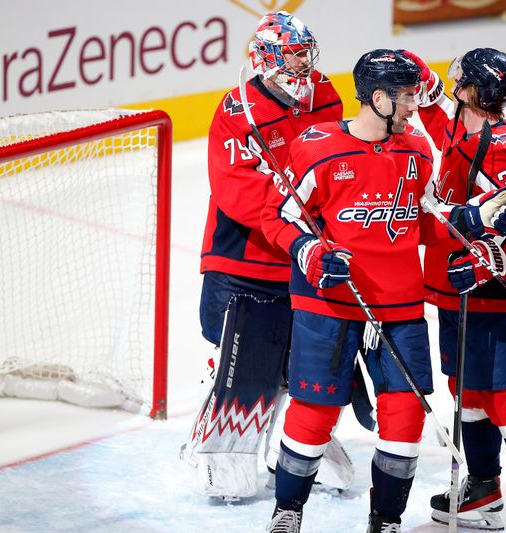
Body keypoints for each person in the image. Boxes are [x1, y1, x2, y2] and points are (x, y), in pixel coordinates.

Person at [260, 48, 506, 533]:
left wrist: (475, 218)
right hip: (330, 305)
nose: (413, 105)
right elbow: (278, 217)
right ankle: (288, 512)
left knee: (405, 419)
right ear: (378, 98)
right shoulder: (318, 147)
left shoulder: (417, 150)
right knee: (315, 411)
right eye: (405, 96)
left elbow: (424, 221)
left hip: (399, 307)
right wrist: (310, 253)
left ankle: (386, 521)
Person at [181, 10, 344, 500]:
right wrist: (296, 221)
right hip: (242, 260)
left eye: (305, 51)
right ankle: (221, 450)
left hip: (302, 256)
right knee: (242, 354)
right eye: (293, 52)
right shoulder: (237, 110)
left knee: (301, 362)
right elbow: (236, 192)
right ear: (268, 57)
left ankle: (295, 446)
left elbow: (337, 164)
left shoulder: (326, 95)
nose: (303, 61)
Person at [410, 47, 506, 531]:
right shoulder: (458, 125)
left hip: (495, 294)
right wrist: (408, 67)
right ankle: (485, 486)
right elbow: (429, 109)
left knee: (505, 396)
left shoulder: (502, 147)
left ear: (472, 91)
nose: (450, 83)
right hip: (454, 290)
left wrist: (495, 258)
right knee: (463, 389)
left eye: (458, 78)